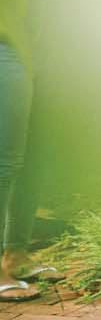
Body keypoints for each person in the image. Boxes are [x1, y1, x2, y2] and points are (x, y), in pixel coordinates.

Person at [0, 40, 51, 301]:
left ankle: (16, 254)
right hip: (7, 46)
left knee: (33, 159)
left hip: (36, 52)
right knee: (4, 161)